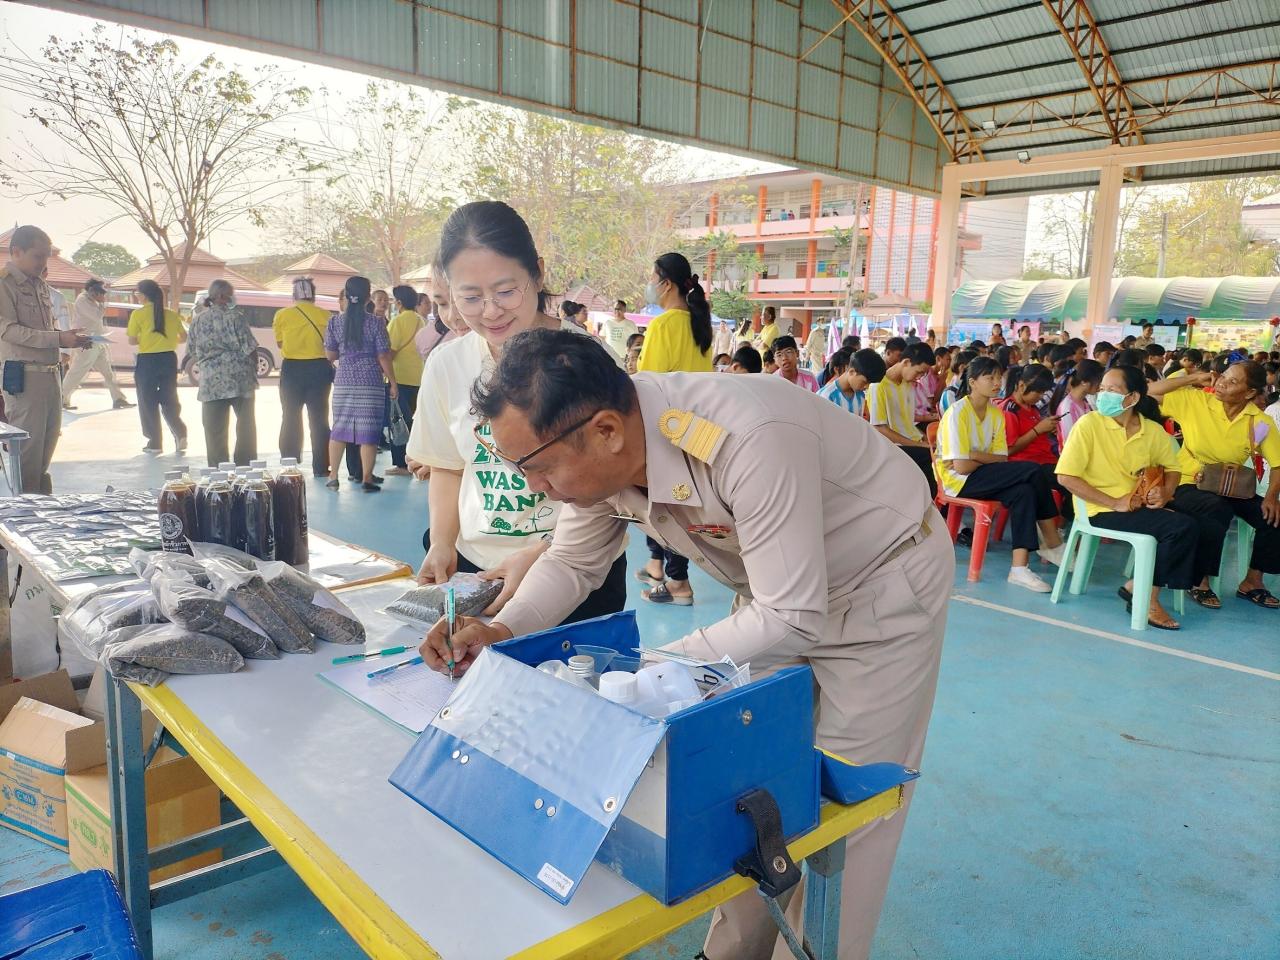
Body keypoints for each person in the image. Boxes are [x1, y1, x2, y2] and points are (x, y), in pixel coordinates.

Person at [422, 327, 953, 960]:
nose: (536, 487)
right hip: (772, 596)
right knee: (746, 784)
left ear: (606, 431)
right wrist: (503, 630)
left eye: (534, 468)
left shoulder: (749, 437)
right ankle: (734, 951)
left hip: (879, 590)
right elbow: (571, 563)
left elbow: (791, 611)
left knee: (851, 802)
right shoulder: (599, 453)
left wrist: (648, 672)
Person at [407, 199, 627, 621]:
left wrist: (549, 553)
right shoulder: (447, 365)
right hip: (478, 569)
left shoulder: (587, 357)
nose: (490, 311)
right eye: (469, 297)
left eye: (506, 291)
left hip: (577, 566)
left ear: (538, 272)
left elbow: (616, 482)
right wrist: (441, 542)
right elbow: (448, 467)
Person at [1056, 366, 1196, 630]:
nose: (1102, 395)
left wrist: (1165, 492)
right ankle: (1147, 598)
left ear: (1132, 398)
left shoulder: (1151, 431)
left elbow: (1173, 468)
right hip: (1099, 509)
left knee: (1198, 519)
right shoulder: (1089, 424)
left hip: (1137, 504)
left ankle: (1138, 586)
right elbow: (1066, 477)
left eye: (1112, 390)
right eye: (1102, 389)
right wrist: (1113, 502)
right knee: (1179, 528)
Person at [1149, 362, 1280, 610]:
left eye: (1233, 382)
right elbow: (1151, 391)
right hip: (1187, 481)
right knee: (1215, 508)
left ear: (1250, 392)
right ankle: (1200, 581)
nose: (1222, 383)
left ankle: (1252, 581)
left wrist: (1271, 497)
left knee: (1274, 517)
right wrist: (1194, 378)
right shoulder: (1196, 402)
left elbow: (1278, 464)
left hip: (1232, 486)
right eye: (1223, 377)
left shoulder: (1260, 422)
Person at [934, 356, 1065, 592]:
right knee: (1033, 470)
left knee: (1024, 491)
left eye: (998, 377)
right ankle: (1051, 539)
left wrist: (973, 454)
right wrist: (973, 458)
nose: (996, 382)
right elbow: (960, 467)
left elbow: (1002, 458)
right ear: (973, 382)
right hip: (958, 481)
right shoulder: (957, 413)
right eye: (989, 377)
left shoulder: (995, 413)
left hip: (983, 473)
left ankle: (1019, 568)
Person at [636, 251, 714, 606]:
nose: (650, 285)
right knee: (677, 504)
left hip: (665, 427)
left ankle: (678, 582)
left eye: (653, 278)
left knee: (665, 509)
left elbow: (647, 383)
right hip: (696, 427)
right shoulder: (700, 325)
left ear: (665, 283)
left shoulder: (663, 325)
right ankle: (660, 568)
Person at [0, 226, 90, 493]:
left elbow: (45, 330)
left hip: (51, 375)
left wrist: (68, 338)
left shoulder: (39, 285)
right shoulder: (4, 285)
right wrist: (58, 339)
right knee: (27, 460)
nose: (43, 263)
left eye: (46, 257)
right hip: (25, 378)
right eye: (38, 256)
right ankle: (26, 523)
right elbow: (8, 330)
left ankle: (43, 517)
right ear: (17, 252)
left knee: (43, 459)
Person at [324, 277, 395, 492]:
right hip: (370, 381)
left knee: (339, 428)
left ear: (346, 295)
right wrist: (393, 381)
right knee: (369, 431)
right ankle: (366, 479)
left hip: (344, 380)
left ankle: (333, 476)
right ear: (367, 298)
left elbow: (330, 354)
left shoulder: (335, 322)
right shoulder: (375, 322)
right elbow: (383, 355)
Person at [187, 280, 257, 467]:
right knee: (246, 426)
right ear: (220, 296)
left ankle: (219, 471)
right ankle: (245, 466)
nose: (231, 298)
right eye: (229, 294)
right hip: (240, 379)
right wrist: (254, 369)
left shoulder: (198, 320)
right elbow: (250, 347)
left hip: (211, 382)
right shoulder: (236, 317)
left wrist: (210, 363)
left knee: (214, 430)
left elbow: (192, 351)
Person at [274, 277, 333, 477]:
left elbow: (280, 343)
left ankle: (290, 462)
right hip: (319, 369)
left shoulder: (282, 315)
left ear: (293, 295)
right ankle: (321, 466)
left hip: (292, 370)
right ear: (314, 295)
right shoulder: (326, 315)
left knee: (290, 416)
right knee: (319, 419)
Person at [998, 363, 1071, 519]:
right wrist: (1038, 430)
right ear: (1022, 386)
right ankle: (1063, 523)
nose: (1040, 397)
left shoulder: (1032, 408)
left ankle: (1064, 522)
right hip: (1027, 466)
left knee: (1080, 473)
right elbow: (1009, 450)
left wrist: (1046, 428)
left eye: (1043, 392)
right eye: (1038, 392)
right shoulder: (1010, 410)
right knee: (1072, 480)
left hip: (1043, 460)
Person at [869, 341, 938, 497]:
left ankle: (938, 508)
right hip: (891, 446)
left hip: (910, 442)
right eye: (919, 372)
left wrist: (923, 440)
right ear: (906, 362)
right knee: (928, 459)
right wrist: (919, 445)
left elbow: (907, 421)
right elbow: (880, 428)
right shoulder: (878, 386)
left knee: (941, 454)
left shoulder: (908, 384)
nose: (919, 378)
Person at [128, 279, 188, 455]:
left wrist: (148, 339)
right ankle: (180, 432)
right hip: (169, 359)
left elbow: (132, 340)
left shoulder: (138, 315)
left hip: (147, 361)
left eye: (137, 293)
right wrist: (167, 341)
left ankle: (155, 443)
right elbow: (183, 337)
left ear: (144, 296)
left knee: (148, 401)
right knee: (169, 397)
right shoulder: (171, 314)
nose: (136, 296)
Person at [62, 279, 132, 410]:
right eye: (99, 292)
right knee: (78, 371)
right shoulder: (82, 300)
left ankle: (118, 399)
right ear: (91, 291)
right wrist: (102, 304)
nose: (102, 295)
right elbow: (96, 316)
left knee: (108, 373)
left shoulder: (93, 300)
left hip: (98, 341)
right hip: (86, 341)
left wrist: (100, 302)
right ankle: (62, 398)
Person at [385, 285, 426, 477]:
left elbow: (389, 352)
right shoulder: (421, 321)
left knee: (398, 421)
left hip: (399, 378)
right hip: (419, 378)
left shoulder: (397, 321)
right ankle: (418, 460)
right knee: (416, 422)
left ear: (399, 303)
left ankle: (402, 464)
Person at [1051, 358, 1104, 446]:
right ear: (1084, 382)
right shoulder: (1068, 408)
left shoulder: (1084, 403)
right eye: (1099, 382)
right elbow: (1070, 442)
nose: (1101, 386)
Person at [820, 347, 886, 417]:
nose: (867, 387)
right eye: (864, 382)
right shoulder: (827, 396)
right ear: (852, 372)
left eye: (869, 384)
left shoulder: (860, 395)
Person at [940, 349, 976, 413]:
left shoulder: (972, 389)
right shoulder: (950, 394)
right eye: (976, 369)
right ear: (962, 368)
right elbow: (955, 419)